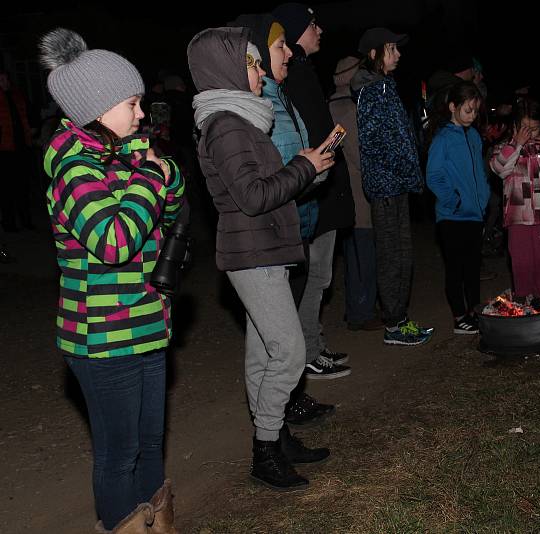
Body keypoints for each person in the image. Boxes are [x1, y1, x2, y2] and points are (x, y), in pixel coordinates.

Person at [39, 28, 184, 532]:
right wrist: (150, 176)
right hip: (101, 337)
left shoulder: (120, 156)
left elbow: (171, 200)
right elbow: (115, 241)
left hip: (146, 323)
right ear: (98, 110)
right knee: (119, 454)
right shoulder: (75, 170)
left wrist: (156, 167)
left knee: (149, 447)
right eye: (132, 103)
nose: (142, 114)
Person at [188, 25, 335, 491]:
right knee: (289, 353)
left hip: (261, 246)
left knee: (263, 353)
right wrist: (303, 167)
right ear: (226, 68)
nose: (258, 71)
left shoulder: (243, 118)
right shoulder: (226, 124)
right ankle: (265, 451)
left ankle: (275, 437)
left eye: (256, 61)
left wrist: (307, 171)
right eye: (250, 63)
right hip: (253, 251)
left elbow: (265, 188)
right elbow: (251, 197)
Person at [272, 3, 354, 378]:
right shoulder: (293, 76)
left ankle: (313, 345)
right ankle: (305, 352)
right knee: (313, 274)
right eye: (312, 24)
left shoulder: (303, 71)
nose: (319, 30)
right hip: (310, 191)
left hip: (320, 187)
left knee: (320, 275)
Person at [352, 27, 434, 345]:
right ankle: (394, 325)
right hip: (387, 187)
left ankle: (401, 318)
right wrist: (398, 174)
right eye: (391, 49)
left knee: (403, 254)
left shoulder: (385, 86)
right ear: (374, 55)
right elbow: (377, 143)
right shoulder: (373, 91)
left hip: (396, 185)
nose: (398, 54)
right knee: (392, 256)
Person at [490, 99, 540, 299]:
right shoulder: (504, 148)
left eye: (534, 129)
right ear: (516, 126)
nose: (530, 134)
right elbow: (499, 169)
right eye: (525, 128)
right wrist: (516, 144)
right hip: (518, 219)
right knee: (521, 261)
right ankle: (522, 300)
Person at [426, 81, 489, 334]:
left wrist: (482, 199)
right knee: (456, 267)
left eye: (475, 111)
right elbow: (434, 175)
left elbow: (479, 172)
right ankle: (459, 316)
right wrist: (454, 200)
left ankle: (475, 311)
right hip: (452, 217)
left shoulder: (474, 136)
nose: (472, 116)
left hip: (475, 215)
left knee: (473, 267)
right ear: (453, 107)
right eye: (468, 111)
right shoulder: (442, 139)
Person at [329, 55, 382, 332]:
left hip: (341, 194)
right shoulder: (351, 109)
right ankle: (361, 311)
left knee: (354, 254)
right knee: (363, 255)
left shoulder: (330, 106)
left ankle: (358, 309)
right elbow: (361, 156)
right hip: (360, 194)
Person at [0, 70, 34, 232]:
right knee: (7, 189)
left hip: (22, 147)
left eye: (6, 79)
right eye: (1, 79)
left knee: (23, 187)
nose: (4, 82)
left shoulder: (18, 96)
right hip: (4, 151)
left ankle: (26, 221)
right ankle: (9, 223)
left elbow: (28, 116)